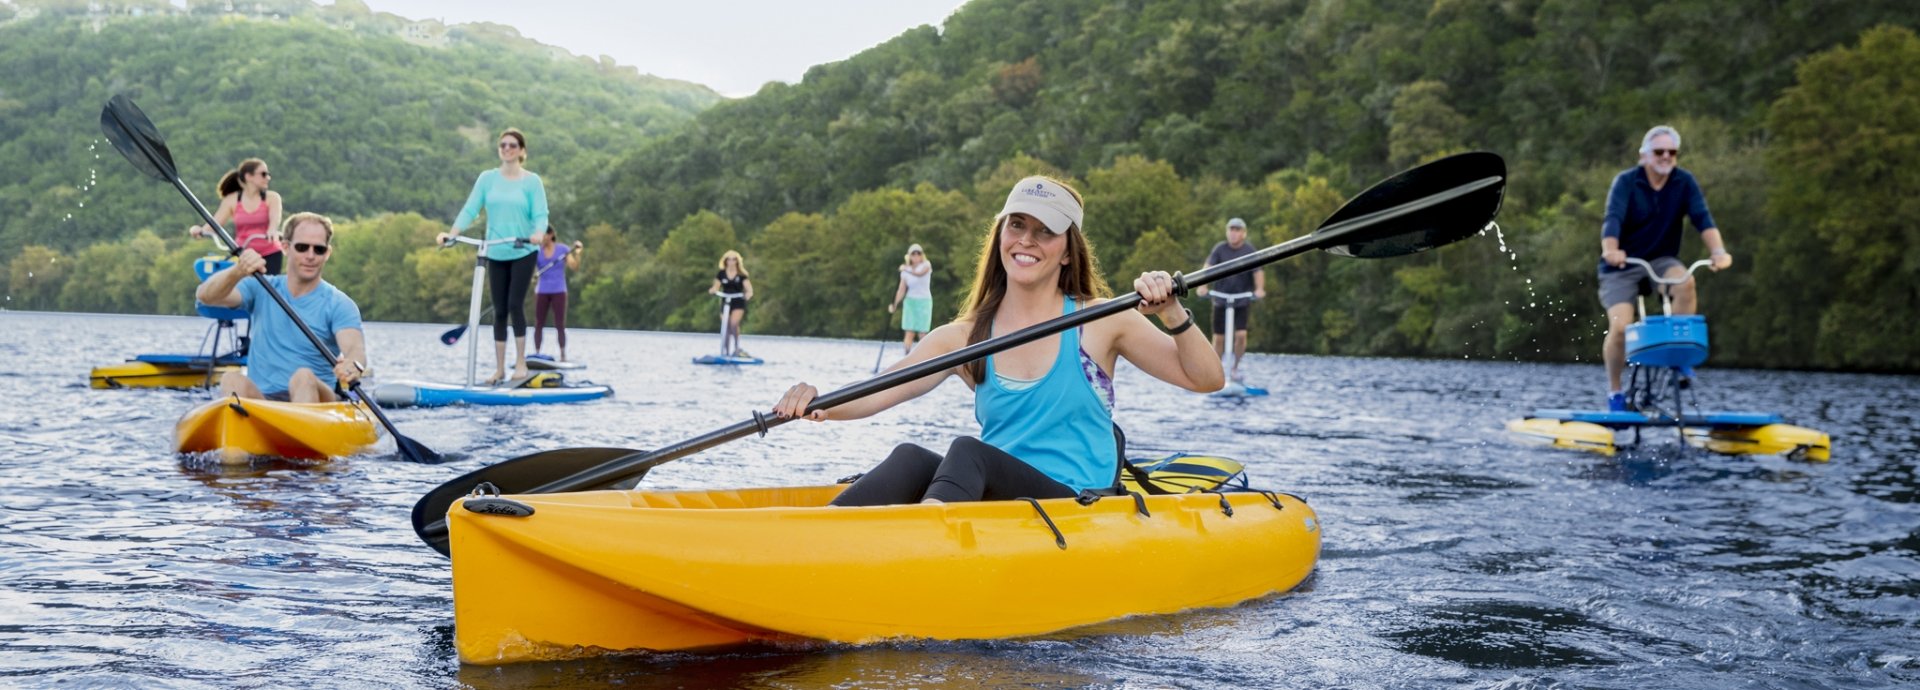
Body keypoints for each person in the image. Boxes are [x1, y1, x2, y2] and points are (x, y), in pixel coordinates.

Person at [771, 176, 1224, 506]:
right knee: (910, 458)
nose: (1027, 240)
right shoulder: (965, 338)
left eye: (1045, 231)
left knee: (969, 452)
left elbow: (1206, 379)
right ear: (1000, 235)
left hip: (1076, 503)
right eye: (1017, 225)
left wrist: (1171, 312)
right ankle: (810, 543)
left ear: (1067, 251)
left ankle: (921, 547)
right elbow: (881, 390)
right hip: (998, 503)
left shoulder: (1102, 320)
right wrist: (820, 402)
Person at [1598, 125, 1733, 411]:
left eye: (1672, 152)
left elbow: (1703, 219)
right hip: (1623, 264)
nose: (1666, 157)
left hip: (1661, 260)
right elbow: (1613, 219)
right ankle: (1615, 392)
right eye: (1659, 151)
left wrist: (1718, 251)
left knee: (1685, 282)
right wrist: (1610, 250)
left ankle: (1679, 360)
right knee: (1620, 327)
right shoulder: (1626, 182)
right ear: (1644, 155)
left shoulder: (1684, 182)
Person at [196, 212, 365, 403]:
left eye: (318, 249)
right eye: (302, 247)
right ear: (285, 247)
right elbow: (205, 296)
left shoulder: (338, 303)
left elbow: (354, 348)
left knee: (302, 377)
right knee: (231, 379)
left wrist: (354, 364)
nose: (310, 256)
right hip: (264, 401)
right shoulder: (261, 286)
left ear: (327, 253)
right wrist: (237, 271)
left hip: (318, 401)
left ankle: (301, 429)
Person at [436, 128, 548, 385]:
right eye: (503, 145)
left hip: (523, 250)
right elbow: (471, 208)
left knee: (514, 305)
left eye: (512, 145)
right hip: (494, 250)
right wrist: (451, 234)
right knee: (498, 309)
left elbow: (541, 214)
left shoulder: (532, 182)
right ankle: (498, 369)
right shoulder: (487, 179)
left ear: (521, 151)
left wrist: (538, 232)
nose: (507, 149)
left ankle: (520, 363)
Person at [1194, 217, 1266, 382]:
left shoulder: (1249, 251)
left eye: (1237, 230)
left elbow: (1258, 272)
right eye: (1231, 230)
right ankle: (1215, 371)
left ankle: (1234, 368)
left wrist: (1259, 289)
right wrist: (1202, 286)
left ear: (1243, 233)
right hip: (1221, 298)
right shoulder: (1220, 249)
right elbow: (1208, 268)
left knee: (1241, 335)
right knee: (1219, 338)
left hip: (1241, 300)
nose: (1233, 233)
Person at [189, 158, 284, 274]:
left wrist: (272, 230)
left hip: (269, 253)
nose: (268, 178)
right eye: (263, 174)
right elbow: (215, 224)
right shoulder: (232, 200)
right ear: (249, 176)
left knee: (269, 287)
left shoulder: (272, 198)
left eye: (268, 174)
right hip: (243, 254)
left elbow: (275, 218)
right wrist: (199, 230)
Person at [533, 227, 582, 361]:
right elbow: (532, 268)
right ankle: (537, 353)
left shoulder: (563, 250)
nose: (542, 238)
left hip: (559, 290)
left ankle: (562, 355)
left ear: (551, 235)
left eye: (544, 235)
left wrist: (577, 253)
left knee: (560, 324)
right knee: (539, 324)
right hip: (542, 291)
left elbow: (574, 267)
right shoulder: (537, 251)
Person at [708, 250, 754, 358]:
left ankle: (737, 347)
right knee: (725, 326)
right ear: (726, 261)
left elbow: (749, 290)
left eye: (734, 259)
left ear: (737, 261)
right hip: (726, 300)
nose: (731, 262)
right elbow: (716, 286)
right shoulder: (721, 273)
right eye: (729, 259)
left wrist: (748, 295)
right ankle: (725, 350)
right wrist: (713, 290)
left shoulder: (742, 275)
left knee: (733, 324)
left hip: (738, 301)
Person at [889, 243, 934, 353]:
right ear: (909, 256)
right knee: (909, 332)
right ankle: (907, 355)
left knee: (923, 333)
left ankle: (923, 358)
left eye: (918, 253)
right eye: (913, 254)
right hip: (910, 302)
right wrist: (894, 304)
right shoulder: (905, 272)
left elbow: (919, 274)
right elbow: (901, 290)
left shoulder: (926, 265)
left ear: (922, 255)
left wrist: (906, 269)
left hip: (924, 302)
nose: (916, 255)